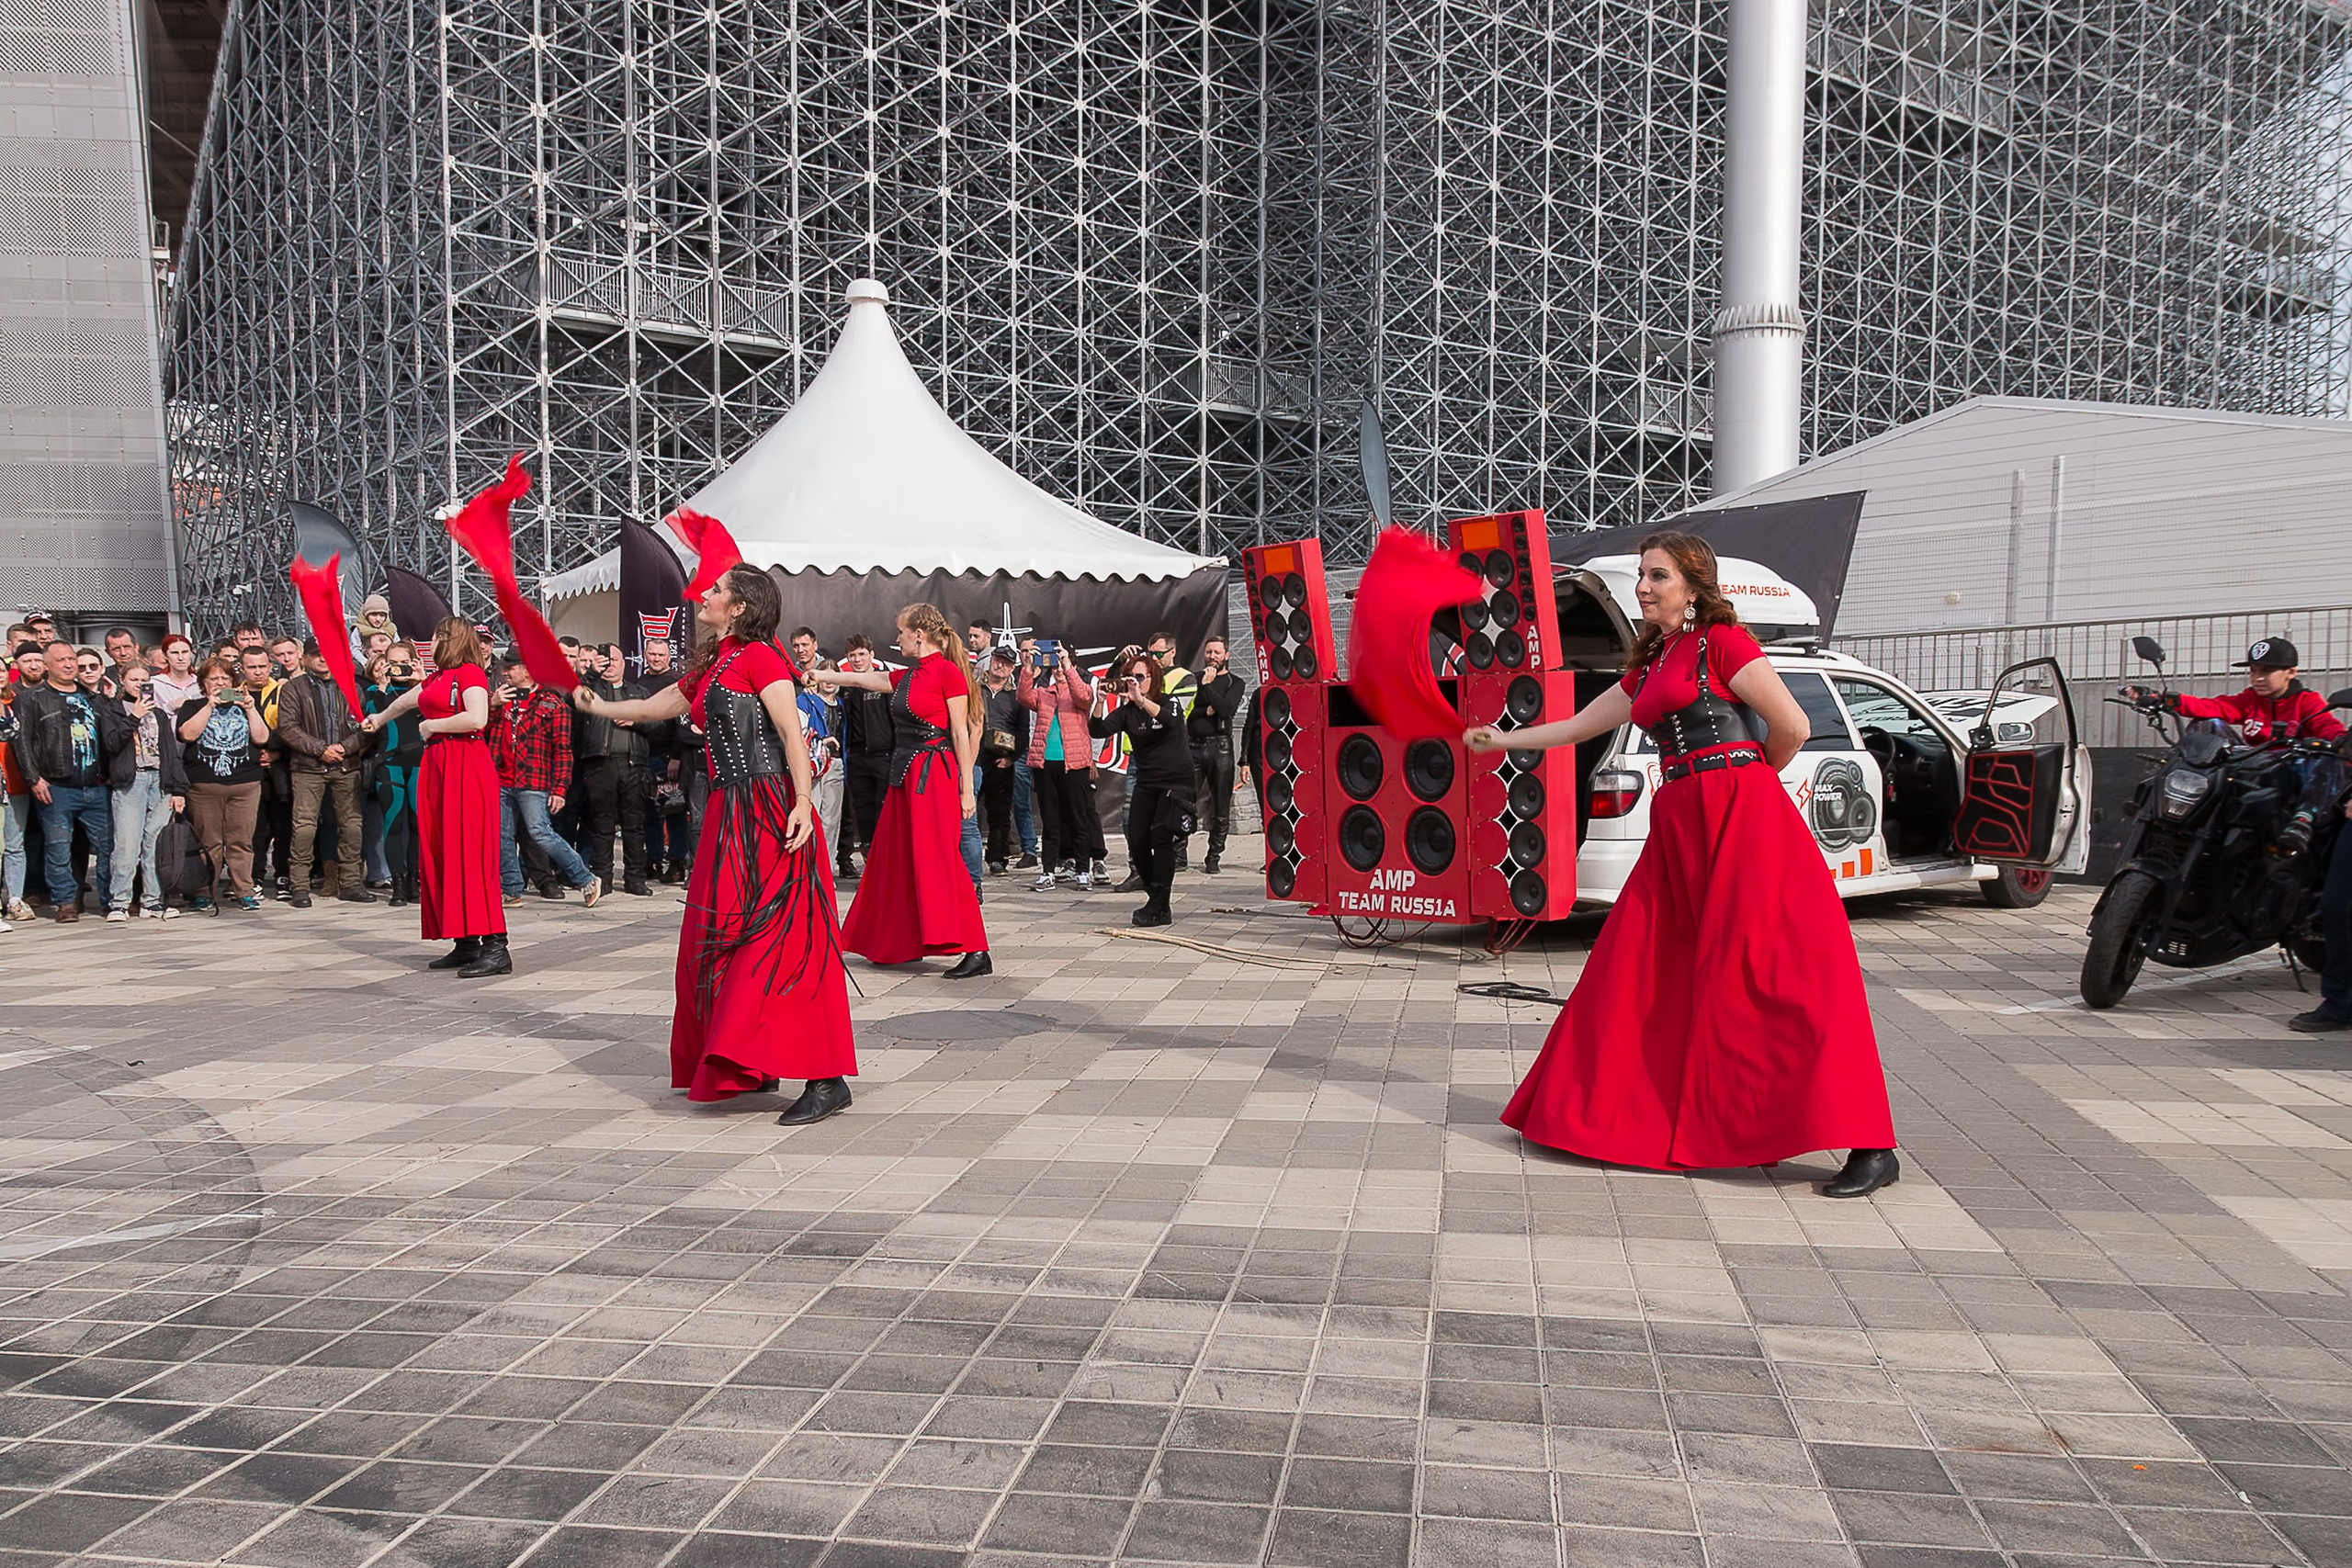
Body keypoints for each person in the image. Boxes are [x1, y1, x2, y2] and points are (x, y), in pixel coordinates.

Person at [1464, 532, 1899, 1198]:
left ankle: (1871, 1143)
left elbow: (1792, 726)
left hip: (1741, 818)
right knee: (1638, 966)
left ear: (1694, 586)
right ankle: (1604, 1115)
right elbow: (1584, 723)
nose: (1643, 586)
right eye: (1641, 574)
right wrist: (1506, 739)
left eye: (1657, 575)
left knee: (1778, 976)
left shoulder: (1724, 643)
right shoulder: (1655, 658)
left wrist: (1746, 781)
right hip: (1681, 825)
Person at [574, 566, 857, 1121]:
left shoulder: (762, 658)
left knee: (782, 937)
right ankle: (750, 1059)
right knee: (718, 935)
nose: (705, 595)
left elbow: (792, 738)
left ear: (741, 607)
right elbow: (660, 707)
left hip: (770, 808)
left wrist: (802, 801)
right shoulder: (716, 660)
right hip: (730, 812)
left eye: (717, 591)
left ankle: (826, 1077)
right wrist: (602, 707)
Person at [816, 603, 991, 978]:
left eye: (900, 632)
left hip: (934, 775)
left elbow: (960, 733)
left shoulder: (949, 674)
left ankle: (977, 949)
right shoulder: (908, 677)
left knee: (939, 858)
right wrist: (818, 674)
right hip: (905, 776)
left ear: (919, 634)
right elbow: (862, 680)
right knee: (892, 858)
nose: (896, 639)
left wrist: (966, 789)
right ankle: (895, 943)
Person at [362, 619, 509, 976]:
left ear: (453, 640)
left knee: (470, 852)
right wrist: (378, 719)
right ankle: (466, 942)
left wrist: (432, 726)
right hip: (442, 766)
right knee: (444, 851)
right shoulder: (438, 677)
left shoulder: (471, 673)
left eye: (440, 637)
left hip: (465, 764)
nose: (433, 642)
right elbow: (408, 701)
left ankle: (495, 946)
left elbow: (476, 717)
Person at [2125, 637, 2348, 853]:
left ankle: (2303, 820)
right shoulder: (2250, 698)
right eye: (2253, 671)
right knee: (2208, 723)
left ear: (2291, 672)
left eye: (2267, 671)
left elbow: (2330, 729)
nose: (2258, 678)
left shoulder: (2308, 702)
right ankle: (2169, 796)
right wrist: (2162, 699)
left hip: (2290, 771)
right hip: (2252, 765)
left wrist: (2343, 742)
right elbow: (2213, 707)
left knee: (2327, 756)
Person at [12, 641, 128, 920]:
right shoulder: (32, 697)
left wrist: (110, 700)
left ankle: (109, 900)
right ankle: (65, 902)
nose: (68, 664)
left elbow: (113, 736)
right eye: (61, 660)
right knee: (58, 846)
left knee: (108, 847)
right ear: (47, 665)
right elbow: (22, 742)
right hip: (56, 786)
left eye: (71, 659)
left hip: (97, 785)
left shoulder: (94, 697)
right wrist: (33, 779)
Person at [487, 655, 601, 908]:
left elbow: (563, 750)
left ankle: (585, 878)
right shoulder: (498, 698)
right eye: (504, 668)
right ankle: (511, 889)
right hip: (500, 777)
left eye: (511, 668)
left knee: (540, 832)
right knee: (502, 835)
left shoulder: (552, 703)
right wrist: (492, 705)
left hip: (533, 779)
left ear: (527, 670)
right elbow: (481, 729)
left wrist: (560, 788)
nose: (505, 672)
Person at [1091, 646, 1193, 927]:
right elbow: (1097, 730)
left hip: (1175, 780)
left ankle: (1161, 904)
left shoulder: (1169, 701)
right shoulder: (1126, 713)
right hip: (1147, 781)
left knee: (1162, 838)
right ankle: (1154, 896)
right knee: (1137, 842)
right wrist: (1100, 701)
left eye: (1140, 676)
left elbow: (1171, 721)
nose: (1134, 682)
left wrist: (1141, 700)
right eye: (1129, 677)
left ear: (1153, 678)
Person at [274, 637, 377, 907]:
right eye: (316, 654)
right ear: (305, 658)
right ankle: (299, 886)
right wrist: (320, 749)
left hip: (346, 764)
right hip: (309, 767)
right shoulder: (293, 689)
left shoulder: (353, 688)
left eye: (328, 654)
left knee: (352, 826)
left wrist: (343, 748)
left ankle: (351, 882)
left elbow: (366, 727)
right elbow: (287, 728)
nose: (322, 659)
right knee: (305, 827)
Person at [175, 657, 268, 910]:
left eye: (225, 679)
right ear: (203, 683)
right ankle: (204, 890)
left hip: (245, 785)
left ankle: (244, 890)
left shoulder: (246, 705)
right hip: (205, 785)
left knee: (241, 840)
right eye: (213, 679)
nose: (219, 683)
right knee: (208, 841)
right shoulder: (192, 705)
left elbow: (262, 738)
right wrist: (210, 705)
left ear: (234, 682)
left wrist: (249, 708)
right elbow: (187, 734)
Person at [105, 662, 187, 921]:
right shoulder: (114, 710)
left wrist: (177, 788)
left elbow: (171, 753)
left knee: (155, 844)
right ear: (122, 681)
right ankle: (119, 902)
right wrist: (134, 717)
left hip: (160, 781)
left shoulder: (160, 714)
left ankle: (152, 901)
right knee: (127, 845)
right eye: (134, 679)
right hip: (132, 781)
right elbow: (112, 744)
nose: (139, 684)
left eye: (144, 679)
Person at [1016, 642, 1102, 890]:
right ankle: (1048, 871)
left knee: (1078, 819)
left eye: (1060, 663)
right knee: (1050, 820)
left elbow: (1086, 698)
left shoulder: (1078, 691)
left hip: (1074, 765)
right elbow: (1023, 697)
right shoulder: (1045, 693)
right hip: (1046, 765)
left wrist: (1067, 666)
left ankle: (1083, 870)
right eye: (1053, 664)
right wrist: (1028, 668)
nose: (1057, 668)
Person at [364, 644, 425, 908]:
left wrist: (423, 679)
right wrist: (381, 684)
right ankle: (398, 883)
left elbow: (438, 711)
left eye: (404, 662)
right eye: (393, 663)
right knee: (394, 825)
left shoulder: (425, 689)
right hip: (390, 765)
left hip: (421, 764)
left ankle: (415, 881)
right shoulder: (375, 693)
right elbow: (372, 720)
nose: (399, 668)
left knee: (418, 826)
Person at [836, 634, 894, 882]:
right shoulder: (847, 688)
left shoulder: (883, 684)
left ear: (872, 655)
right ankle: (872, 868)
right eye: (852, 655)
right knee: (864, 814)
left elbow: (896, 721)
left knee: (885, 811)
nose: (857, 659)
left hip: (884, 757)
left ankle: (889, 869)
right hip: (857, 758)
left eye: (861, 654)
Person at [1188, 637, 1244, 875]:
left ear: (1226, 656)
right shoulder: (1193, 679)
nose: (1212, 656)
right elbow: (1189, 711)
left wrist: (1209, 687)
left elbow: (1226, 709)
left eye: (1217, 652)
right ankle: (1179, 852)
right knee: (1184, 800)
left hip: (1220, 747)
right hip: (1193, 746)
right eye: (1209, 651)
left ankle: (1213, 856)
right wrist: (1207, 707)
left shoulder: (1235, 682)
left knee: (1220, 805)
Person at [973, 647, 1023, 874]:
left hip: (1001, 760)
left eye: (1006, 663)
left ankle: (996, 858)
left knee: (1000, 812)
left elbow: (1024, 731)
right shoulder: (974, 689)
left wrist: (1012, 758)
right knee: (968, 811)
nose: (1000, 665)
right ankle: (965, 857)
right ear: (991, 660)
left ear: (1012, 668)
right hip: (974, 757)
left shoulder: (1018, 695)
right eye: (998, 660)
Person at [150, 634, 202, 716]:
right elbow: (147, 716)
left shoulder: (202, 682)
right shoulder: (153, 683)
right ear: (165, 656)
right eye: (174, 653)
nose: (180, 658)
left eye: (185, 652)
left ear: (191, 654)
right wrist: (170, 707)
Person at [350, 594, 396, 661]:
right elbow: (354, 649)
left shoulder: (391, 628)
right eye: (374, 615)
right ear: (366, 615)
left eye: (382, 615)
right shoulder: (360, 629)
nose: (378, 619)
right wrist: (365, 663)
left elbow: (397, 647)